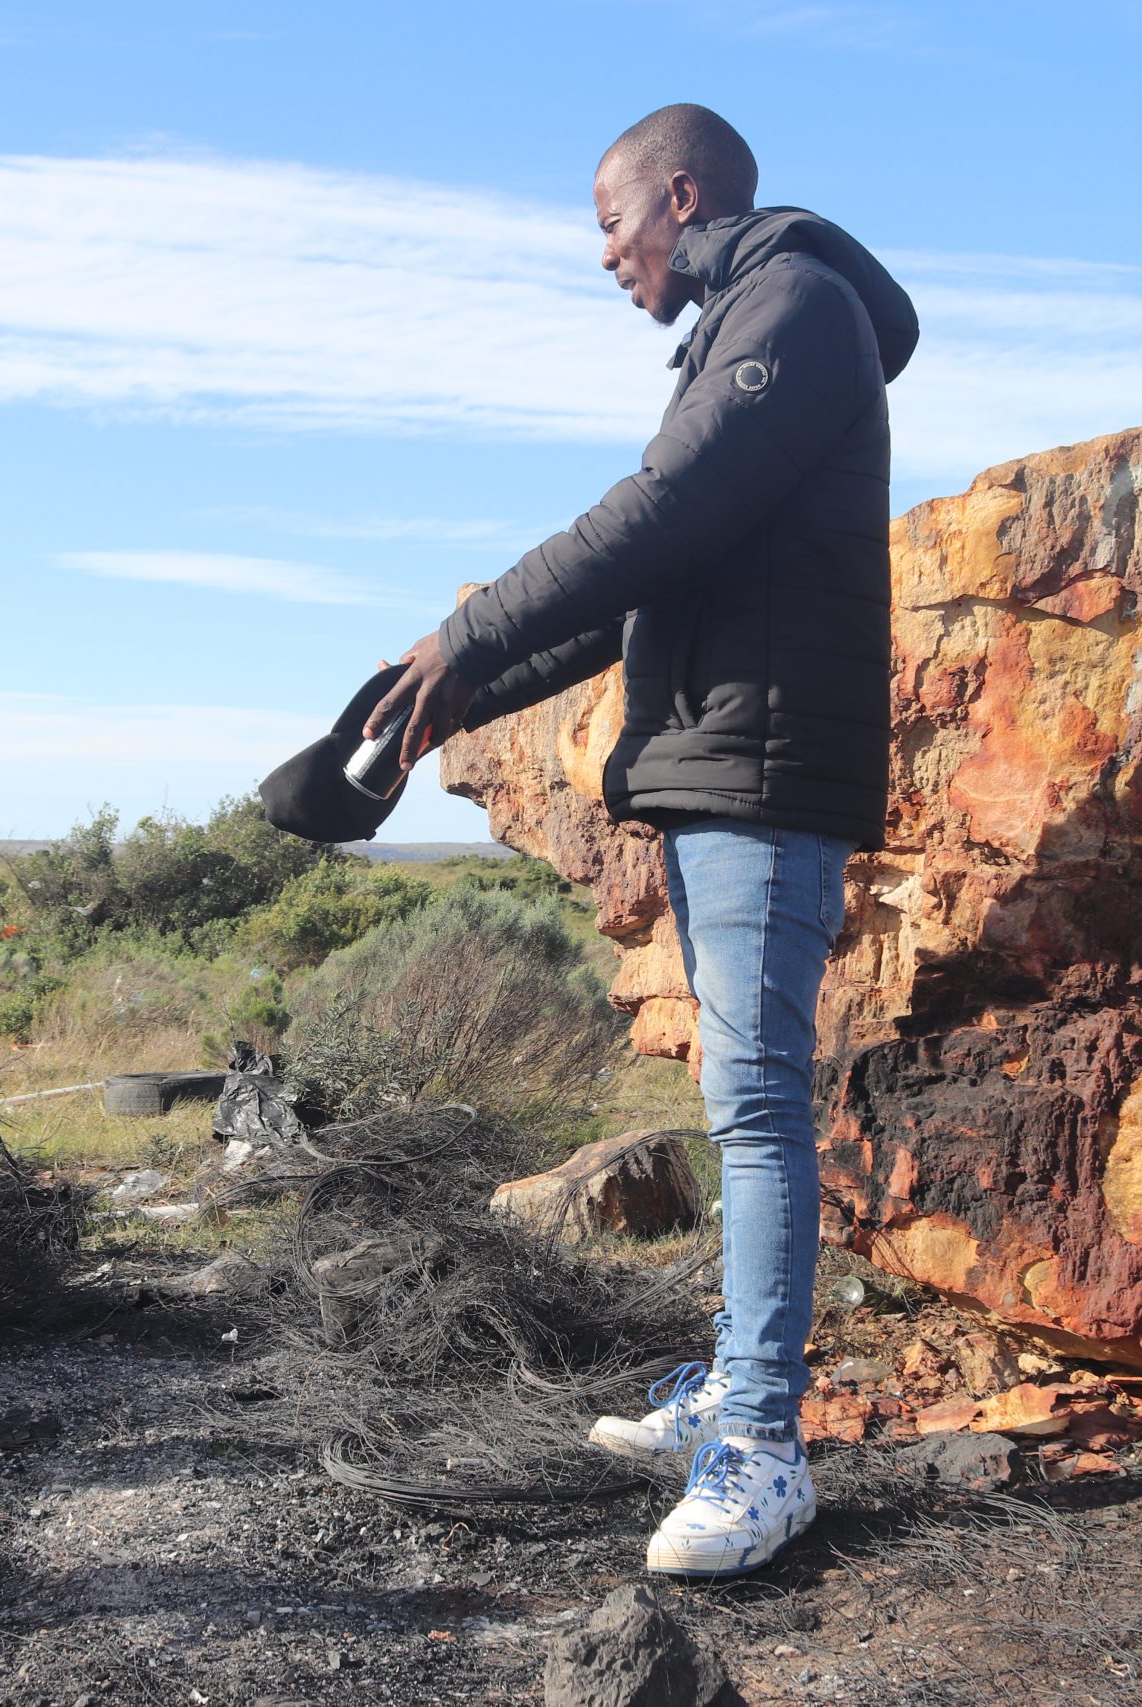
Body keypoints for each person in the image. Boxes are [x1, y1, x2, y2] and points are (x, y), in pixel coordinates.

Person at [364, 103, 917, 1577]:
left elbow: (659, 510)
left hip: (764, 773)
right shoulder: (750, 321)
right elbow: (647, 588)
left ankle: (762, 1447)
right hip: (719, 767)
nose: (606, 258)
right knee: (743, 1099)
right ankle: (733, 1393)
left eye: (610, 225)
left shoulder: (794, 307)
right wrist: (466, 686)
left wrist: (471, 625)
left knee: (753, 1104)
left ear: (679, 198)